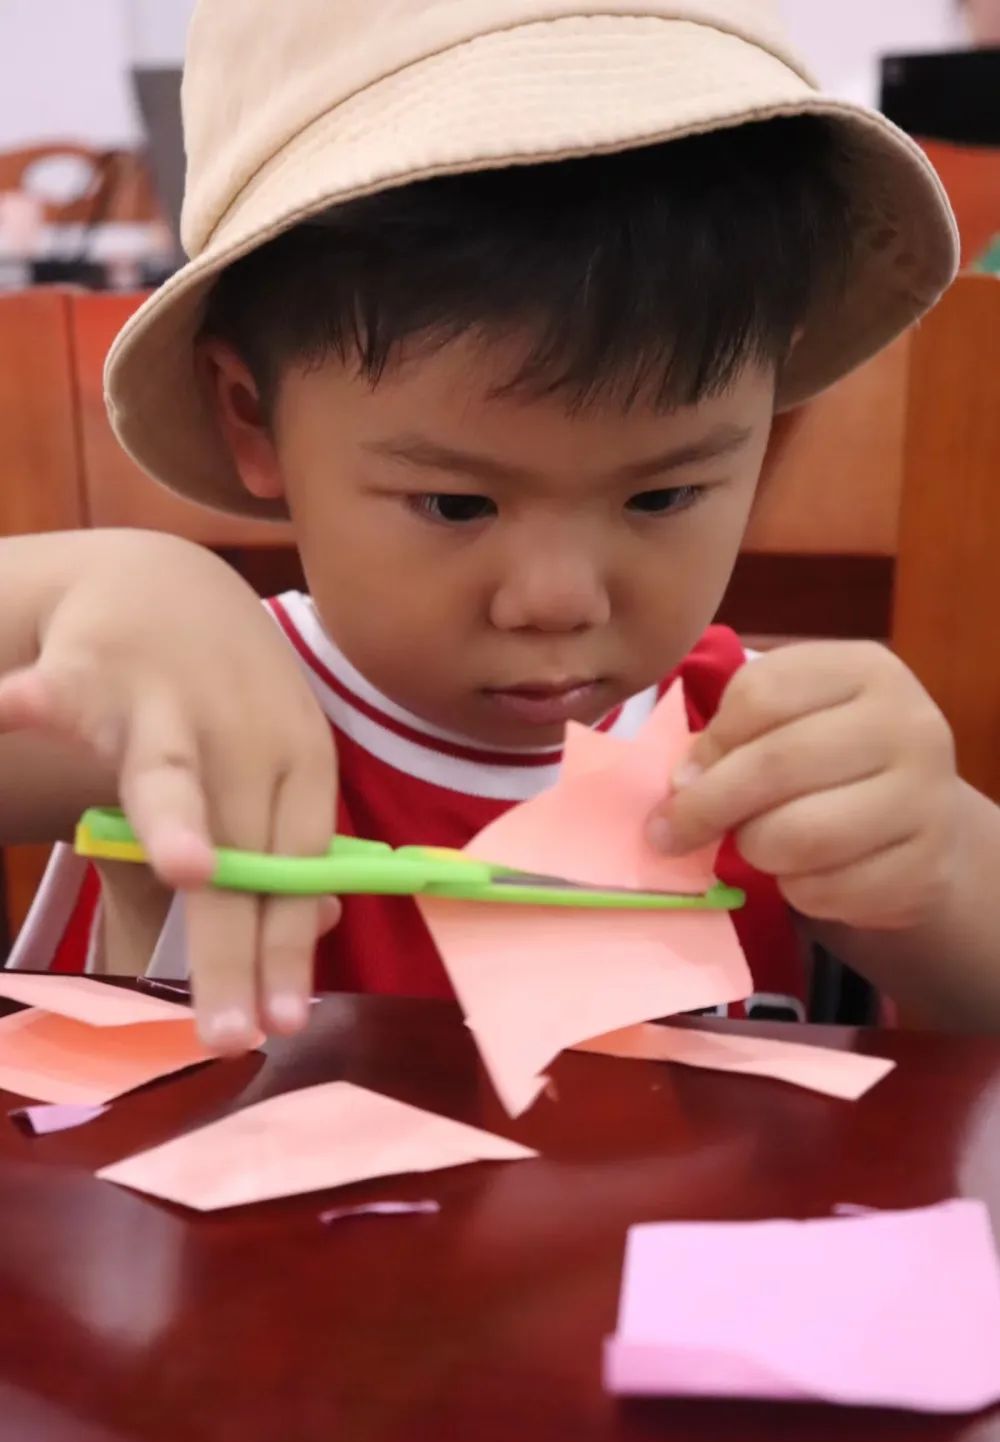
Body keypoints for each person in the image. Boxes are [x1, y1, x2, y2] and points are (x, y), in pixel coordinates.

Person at [1, 0, 996, 1054]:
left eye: (661, 497)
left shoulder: (766, 762)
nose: (558, 600)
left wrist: (941, 853)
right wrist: (87, 593)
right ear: (252, 414)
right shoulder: (193, 717)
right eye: (457, 504)